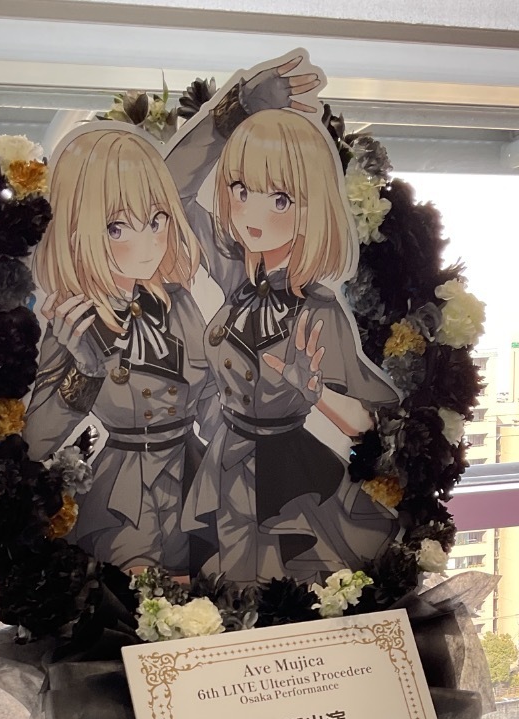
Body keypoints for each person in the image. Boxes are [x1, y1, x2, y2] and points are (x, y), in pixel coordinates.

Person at [167, 61, 401, 582]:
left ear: (311, 207)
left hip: (288, 481)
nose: (253, 213)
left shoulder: (318, 309)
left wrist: (314, 394)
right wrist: (230, 115)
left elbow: (370, 425)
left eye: (280, 199)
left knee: (279, 597)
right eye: (240, 191)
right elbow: (169, 193)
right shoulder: (236, 274)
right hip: (224, 468)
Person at [25, 122, 217, 576]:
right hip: (124, 491)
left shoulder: (179, 303)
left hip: (194, 476)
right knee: (143, 594)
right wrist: (86, 372)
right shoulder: (73, 319)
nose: (147, 244)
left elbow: (209, 398)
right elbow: (34, 442)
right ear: (78, 231)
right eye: (117, 228)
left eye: (156, 221)